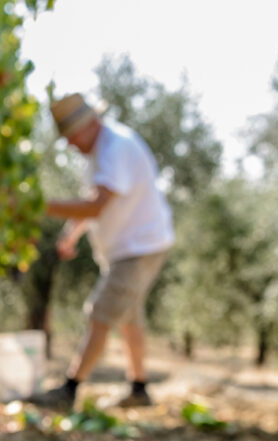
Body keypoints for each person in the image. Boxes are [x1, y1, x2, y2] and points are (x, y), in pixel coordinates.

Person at [31, 93, 173, 409]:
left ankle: (69, 389)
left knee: (100, 313)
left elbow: (95, 206)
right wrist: (70, 236)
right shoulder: (99, 152)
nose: (69, 144)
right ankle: (139, 388)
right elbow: (94, 200)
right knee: (129, 317)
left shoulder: (116, 147)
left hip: (139, 247)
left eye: (71, 136)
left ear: (89, 124)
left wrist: (36, 206)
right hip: (134, 246)